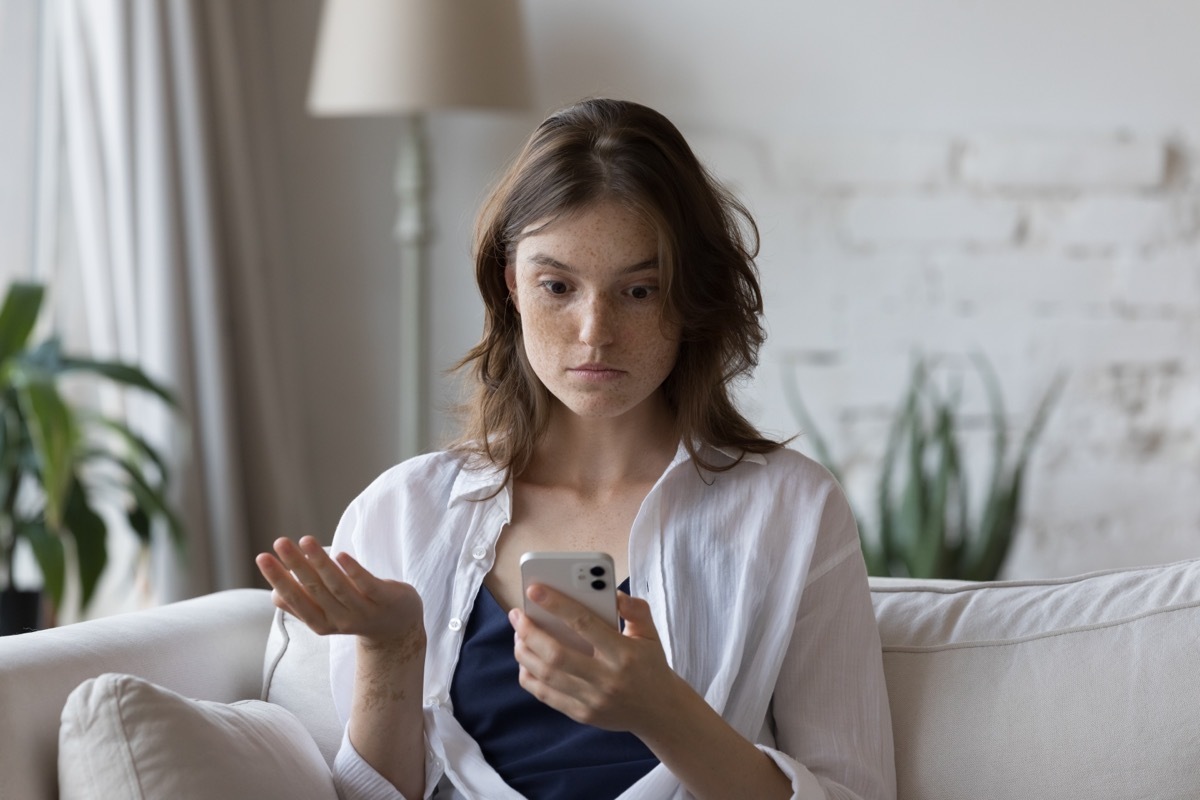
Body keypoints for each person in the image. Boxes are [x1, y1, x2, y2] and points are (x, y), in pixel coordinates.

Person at [256, 98, 896, 800]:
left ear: (690, 297)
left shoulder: (791, 511)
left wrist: (663, 712)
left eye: (640, 290)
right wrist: (394, 648)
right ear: (511, 284)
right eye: (557, 286)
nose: (595, 331)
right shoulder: (404, 511)